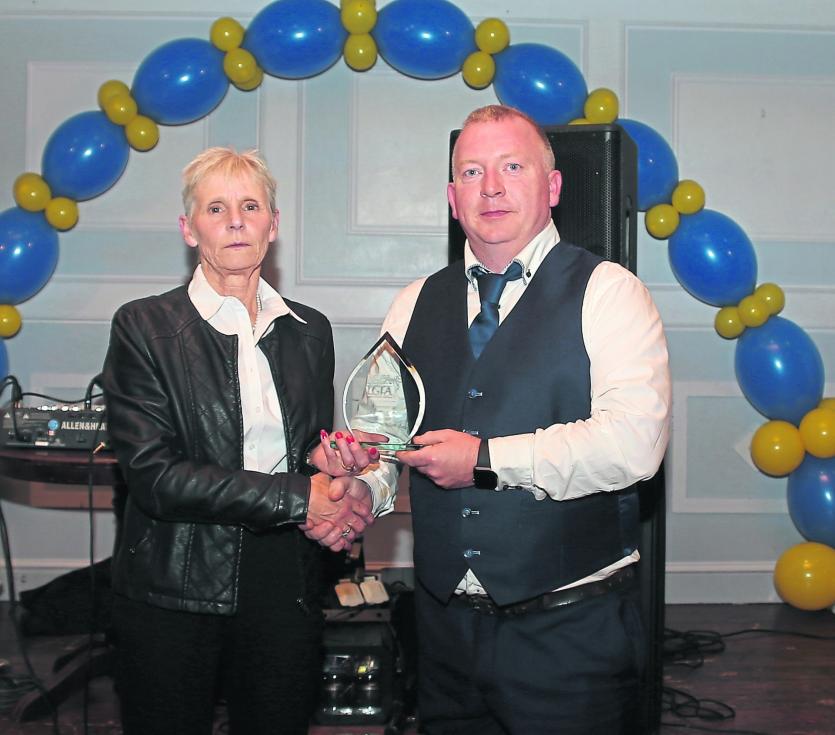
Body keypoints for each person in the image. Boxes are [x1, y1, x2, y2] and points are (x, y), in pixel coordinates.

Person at [369, 105, 671, 734]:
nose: (493, 187)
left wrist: (484, 459)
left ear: (553, 187)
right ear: (454, 199)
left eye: (512, 167)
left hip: (569, 637)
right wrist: (351, 478)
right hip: (444, 634)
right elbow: (384, 440)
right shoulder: (411, 304)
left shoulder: (610, 292)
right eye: (472, 172)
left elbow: (635, 443)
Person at [101, 147, 388, 735]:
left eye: (250, 205)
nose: (235, 220)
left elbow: (303, 445)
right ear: (189, 228)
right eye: (216, 207)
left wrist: (331, 461)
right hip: (174, 582)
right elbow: (155, 477)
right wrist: (298, 496)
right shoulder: (143, 327)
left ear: (272, 224)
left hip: (285, 581)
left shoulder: (310, 331)